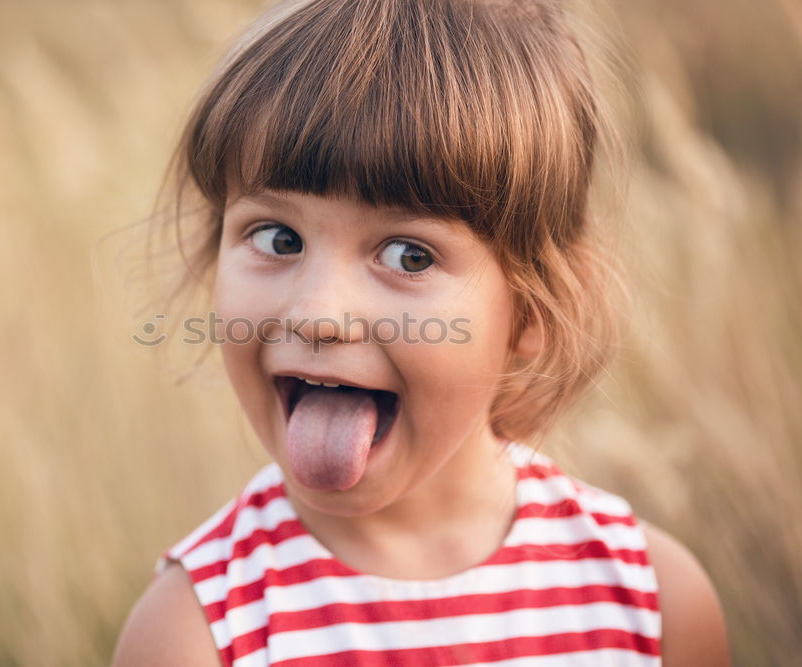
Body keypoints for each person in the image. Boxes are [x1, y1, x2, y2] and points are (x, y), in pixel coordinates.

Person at [113, 0, 730, 664]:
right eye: (278, 237)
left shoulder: (651, 603)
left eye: (410, 255)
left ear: (533, 310)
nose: (319, 313)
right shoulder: (196, 631)